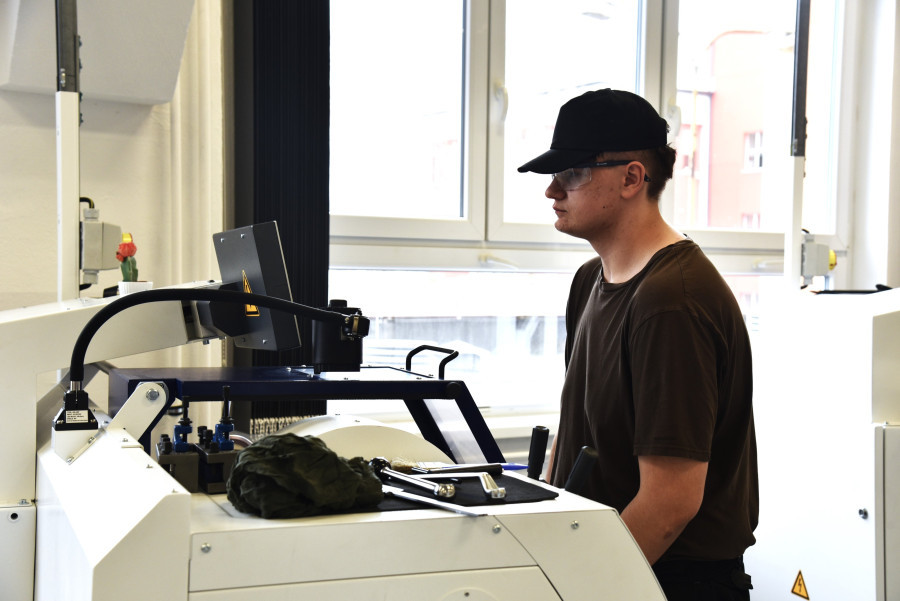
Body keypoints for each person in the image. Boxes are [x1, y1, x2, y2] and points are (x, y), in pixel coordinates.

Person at [518, 89, 758, 601]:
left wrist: (577, 588)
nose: (552, 189)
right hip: (608, 559)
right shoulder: (590, 280)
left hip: (669, 580)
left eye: (572, 172)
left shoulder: (671, 301)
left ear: (631, 178)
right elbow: (577, 428)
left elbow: (669, 503)